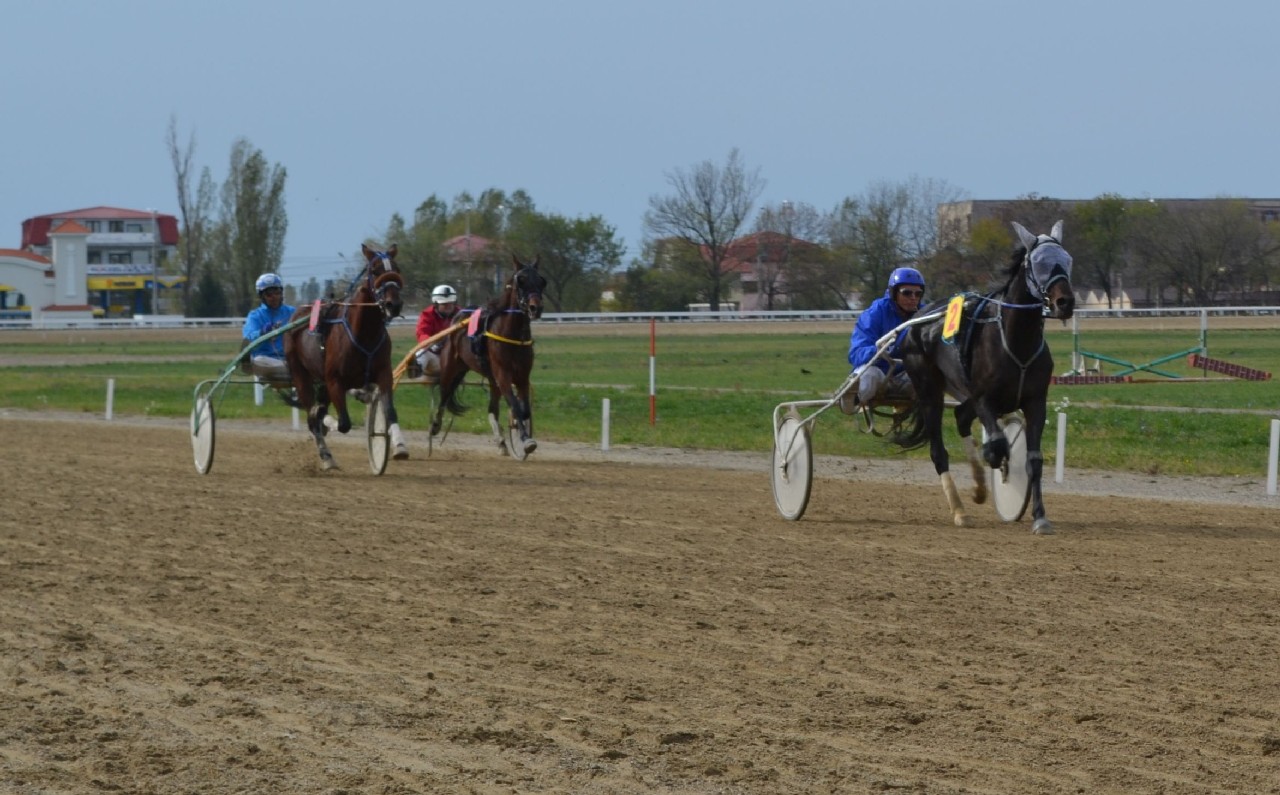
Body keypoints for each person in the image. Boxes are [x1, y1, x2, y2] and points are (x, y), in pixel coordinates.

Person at [844, 266, 925, 408]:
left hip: (907, 376)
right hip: (878, 373)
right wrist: (880, 350)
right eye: (906, 293)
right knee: (869, 374)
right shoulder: (874, 314)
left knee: (929, 375)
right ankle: (853, 400)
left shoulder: (925, 315)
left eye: (918, 294)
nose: (913, 298)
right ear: (894, 293)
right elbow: (855, 354)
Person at [242, 272, 296, 385]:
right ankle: (296, 372)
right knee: (259, 361)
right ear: (262, 296)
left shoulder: (292, 312)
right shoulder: (255, 316)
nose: (274, 297)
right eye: (269, 294)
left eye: (277, 292)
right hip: (266, 360)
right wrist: (263, 332)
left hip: (290, 358)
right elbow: (248, 339)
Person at [409, 284, 460, 380]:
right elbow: (421, 333)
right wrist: (431, 343)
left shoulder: (461, 314)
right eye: (444, 304)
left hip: (453, 358)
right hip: (435, 357)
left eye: (451, 303)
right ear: (436, 304)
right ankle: (416, 370)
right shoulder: (427, 315)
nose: (449, 307)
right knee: (421, 352)